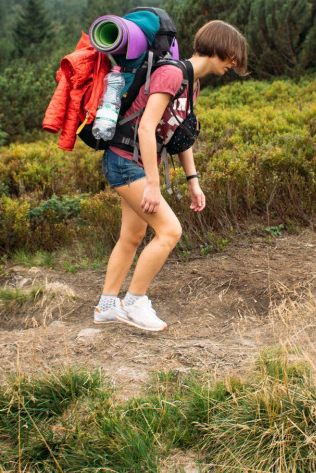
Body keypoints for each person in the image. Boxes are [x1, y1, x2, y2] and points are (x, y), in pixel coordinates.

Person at [94, 20, 249, 331]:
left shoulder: (193, 84)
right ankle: (135, 302)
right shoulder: (172, 73)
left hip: (134, 161)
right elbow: (148, 127)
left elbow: (179, 134)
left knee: (133, 236)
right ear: (221, 48)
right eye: (233, 56)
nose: (233, 64)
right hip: (125, 161)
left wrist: (194, 182)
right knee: (170, 231)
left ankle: (107, 306)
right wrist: (153, 184)